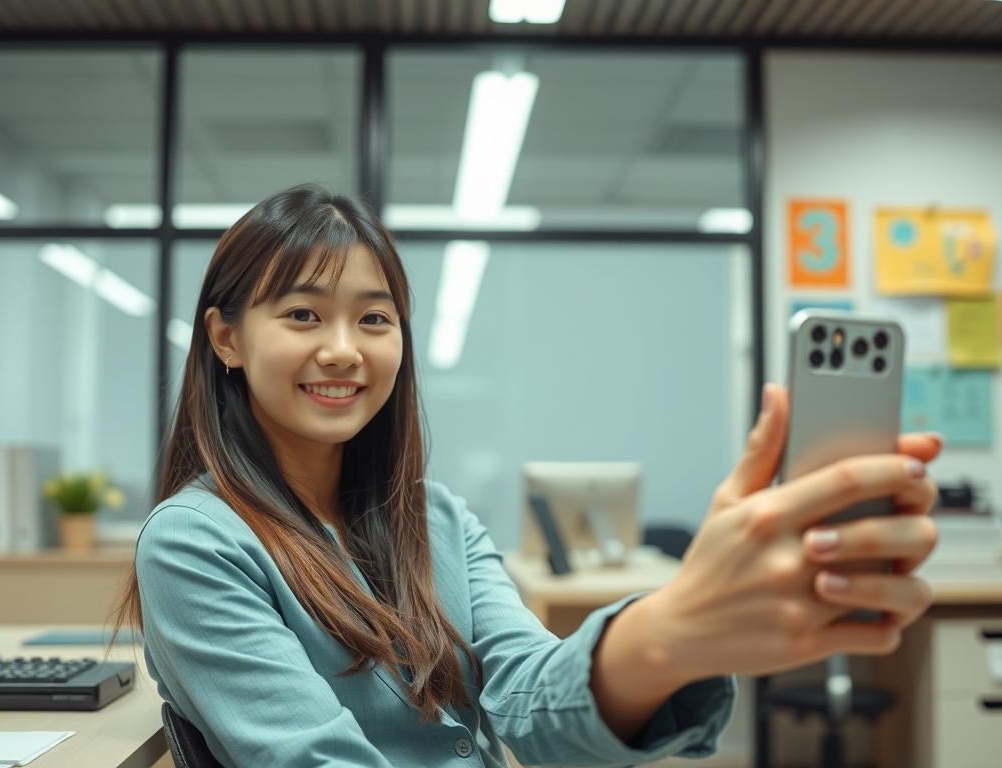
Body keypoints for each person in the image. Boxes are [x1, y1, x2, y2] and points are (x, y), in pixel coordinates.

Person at [112, 184, 940, 767]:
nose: (343, 348)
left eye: (374, 318)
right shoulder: (194, 543)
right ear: (225, 339)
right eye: (302, 315)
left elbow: (529, 700)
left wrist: (672, 636)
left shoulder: (436, 520)